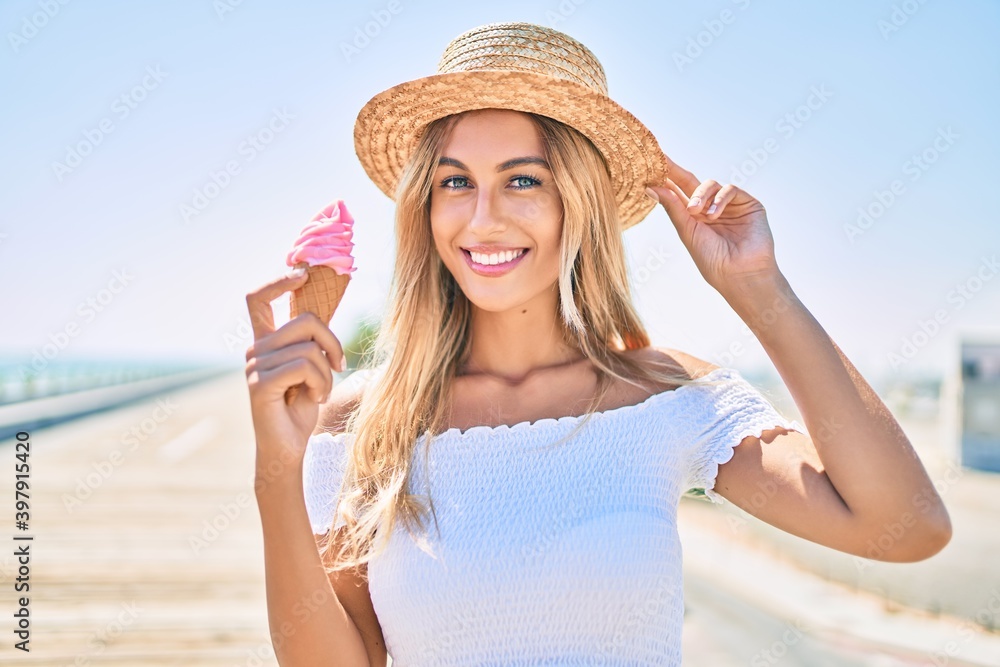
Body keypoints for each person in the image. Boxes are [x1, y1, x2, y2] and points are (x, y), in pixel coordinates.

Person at [243, 21, 952, 667]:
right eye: (455, 181)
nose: (482, 218)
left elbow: (906, 524)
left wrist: (759, 290)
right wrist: (278, 466)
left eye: (523, 179)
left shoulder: (666, 397)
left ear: (579, 201)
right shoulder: (360, 423)